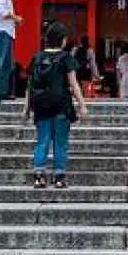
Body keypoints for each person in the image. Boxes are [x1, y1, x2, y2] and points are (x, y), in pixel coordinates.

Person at [24, 21, 87, 189]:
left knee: (42, 140)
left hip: (41, 106)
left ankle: (39, 175)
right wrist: (82, 105)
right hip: (61, 105)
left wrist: (26, 108)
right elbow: (73, 84)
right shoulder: (66, 58)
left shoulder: (37, 58)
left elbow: (30, 86)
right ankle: (59, 176)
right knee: (60, 142)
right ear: (63, 40)